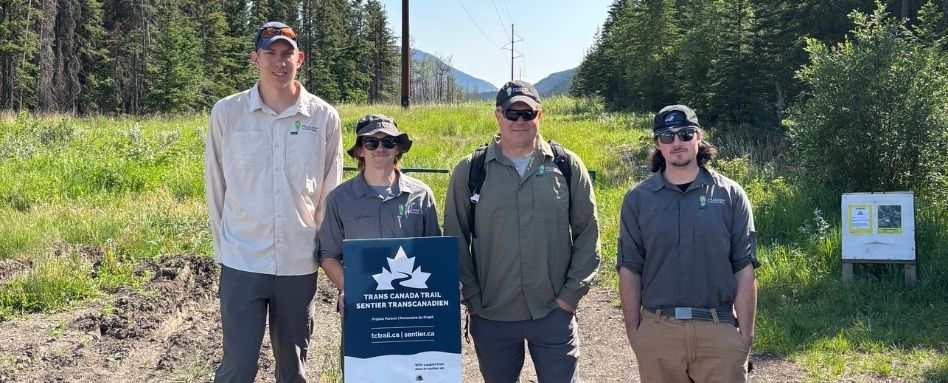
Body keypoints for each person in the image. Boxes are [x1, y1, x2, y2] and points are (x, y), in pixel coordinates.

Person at [204, 20, 343, 382]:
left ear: (300, 58)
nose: (279, 62)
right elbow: (216, 186)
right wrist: (226, 251)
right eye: (270, 54)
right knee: (237, 367)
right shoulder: (227, 113)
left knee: (293, 369)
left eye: (287, 54)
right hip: (242, 260)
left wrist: (321, 249)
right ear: (255, 58)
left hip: (298, 262)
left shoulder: (324, 118)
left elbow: (329, 192)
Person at [444, 80, 600, 382]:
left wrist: (569, 297)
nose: (519, 121)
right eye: (511, 113)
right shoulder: (471, 170)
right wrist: (474, 299)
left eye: (527, 114)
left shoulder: (566, 166)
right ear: (497, 115)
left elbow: (588, 234)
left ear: (539, 116)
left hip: (552, 311)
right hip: (491, 313)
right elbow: (455, 237)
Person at [617, 104, 759, 382]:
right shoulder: (638, 199)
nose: (677, 142)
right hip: (659, 330)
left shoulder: (730, 194)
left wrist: (745, 336)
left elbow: (744, 266)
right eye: (667, 137)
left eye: (685, 133)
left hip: (717, 328)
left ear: (699, 136)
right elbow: (629, 268)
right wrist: (636, 334)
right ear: (658, 144)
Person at [317, 114, 442, 313]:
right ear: (359, 150)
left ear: (398, 148)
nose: (380, 148)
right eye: (371, 142)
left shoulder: (421, 195)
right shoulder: (339, 199)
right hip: (363, 304)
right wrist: (349, 287)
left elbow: (436, 253)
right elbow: (328, 255)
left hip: (414, 301)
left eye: (389, 142)